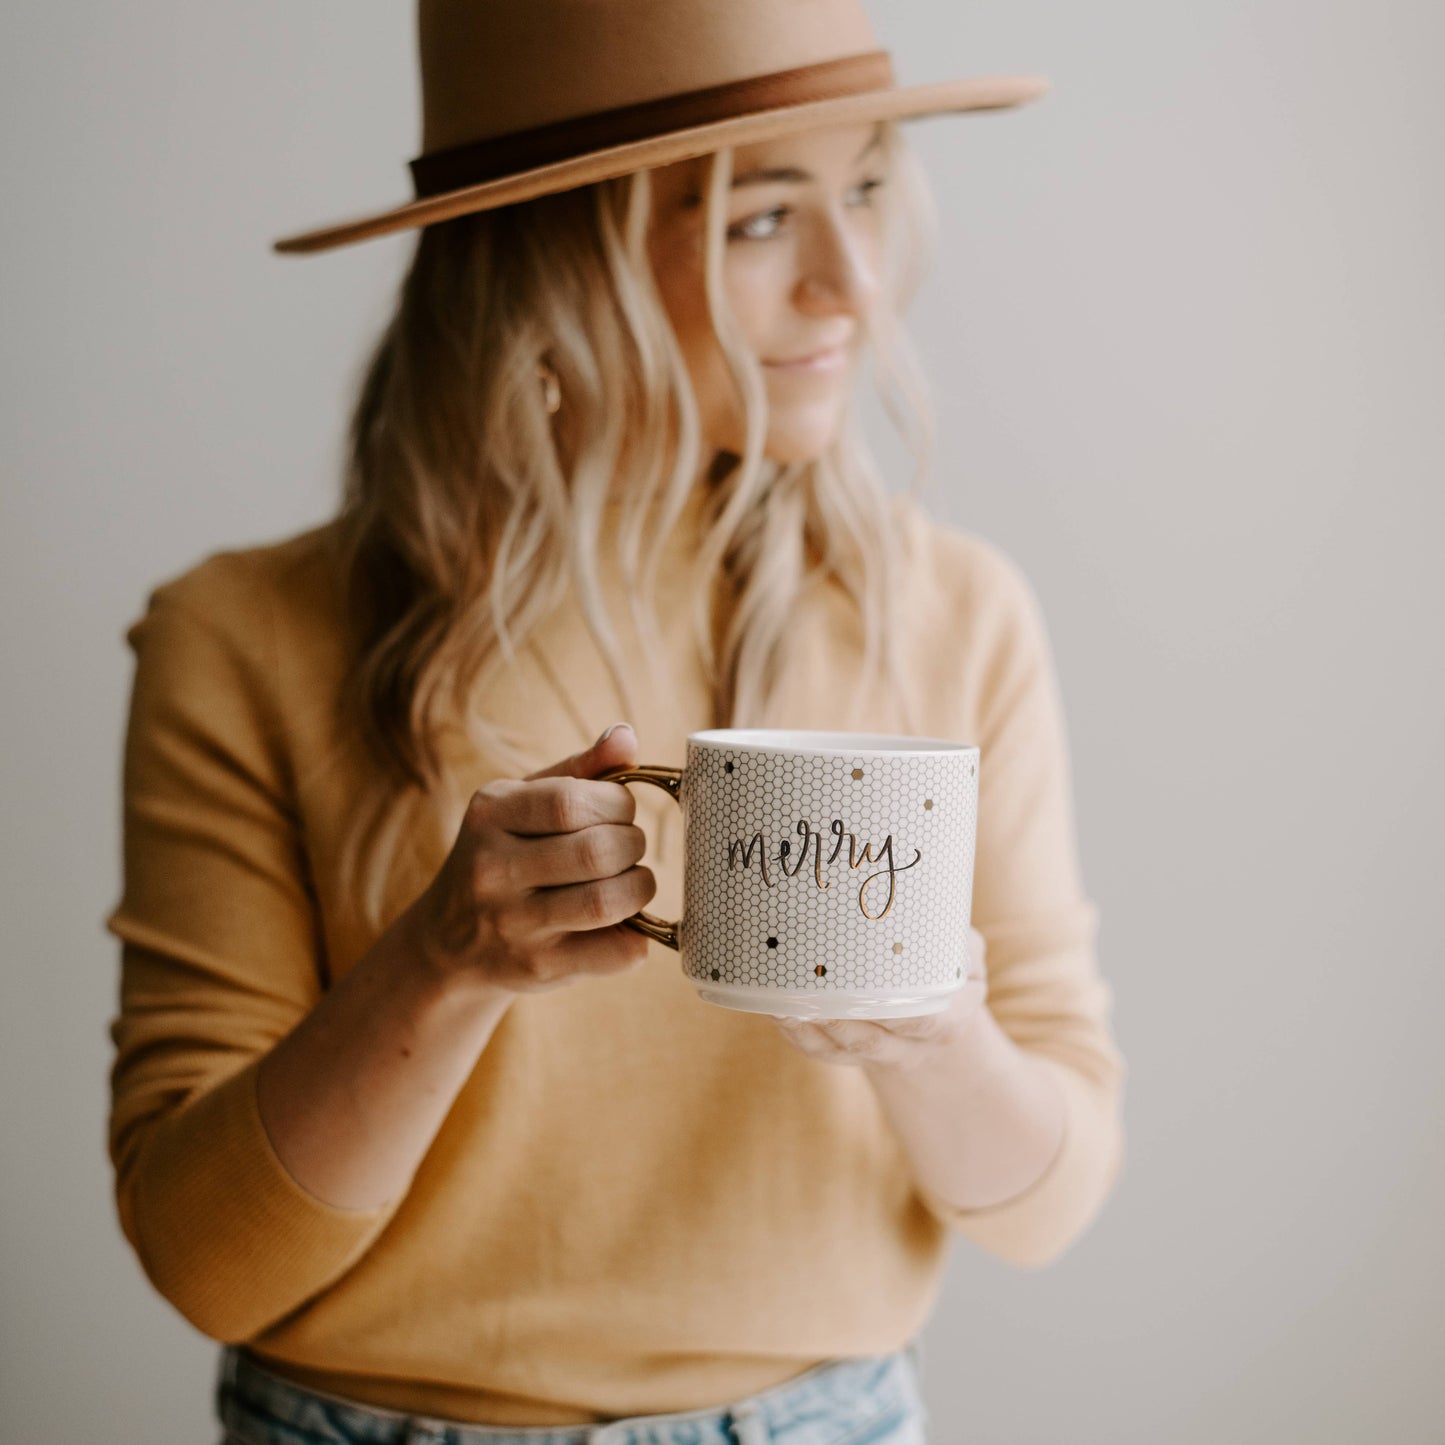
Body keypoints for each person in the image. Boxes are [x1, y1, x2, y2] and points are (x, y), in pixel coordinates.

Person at [105, 3, 1128, 1442]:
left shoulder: (954, 614)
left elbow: (1049, 1202)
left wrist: (925, 1038)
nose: (851, 286)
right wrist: (440, 965)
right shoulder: (245, 639)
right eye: (764, 219)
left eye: (866, 191)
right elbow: (204, 1259)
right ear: (550, 253)